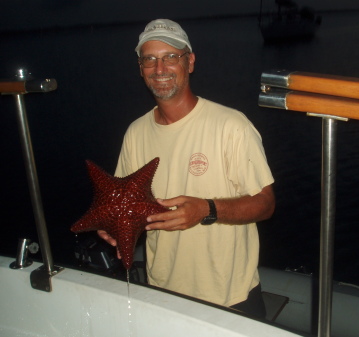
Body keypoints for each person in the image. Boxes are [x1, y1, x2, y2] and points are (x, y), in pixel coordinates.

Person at [98, 18, 275, 318]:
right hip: (164, 296)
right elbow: (126, 205)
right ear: (140, 68)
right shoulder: (135, 133)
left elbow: (266, 204)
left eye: (171, 57)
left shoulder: (231, 126)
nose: (160, 69)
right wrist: (116, 225)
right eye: (150, 60)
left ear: (189, 62)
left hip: (229, 298)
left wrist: (207, 209)